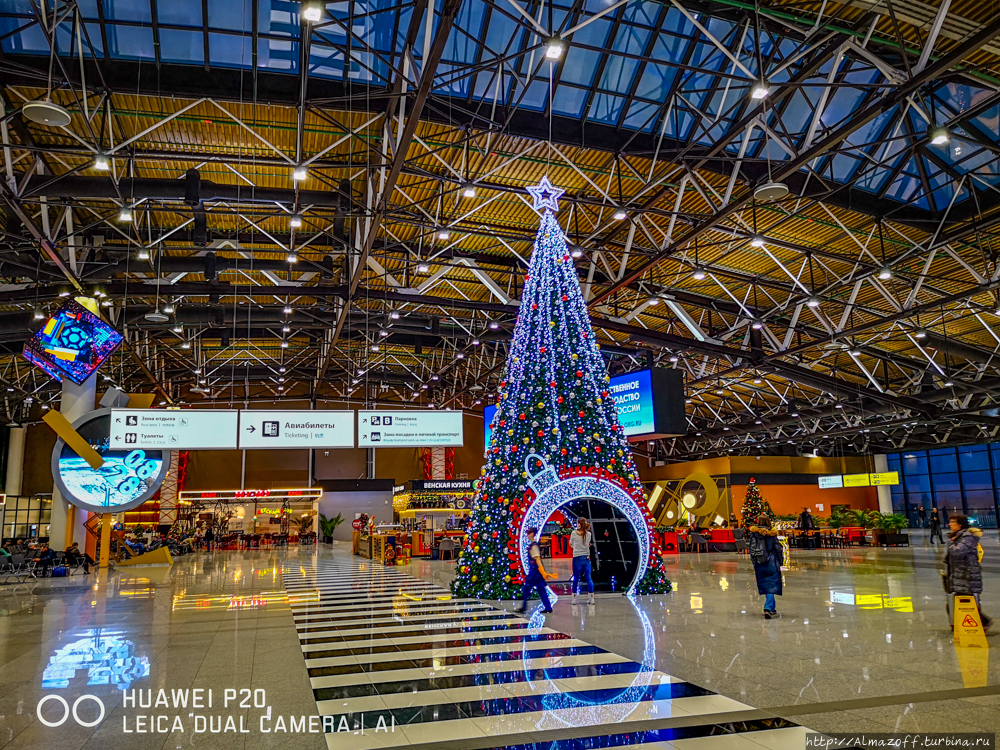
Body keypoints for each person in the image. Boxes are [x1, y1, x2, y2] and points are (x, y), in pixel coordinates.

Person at [944, 514, 992, 632]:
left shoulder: (968, 537)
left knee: (966, 601)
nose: (950, 524)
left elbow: (958, 551)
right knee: (957, 601)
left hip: (966, 575)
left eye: (953, 522)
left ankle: (979, 623)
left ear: (960, 524)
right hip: (958, 574)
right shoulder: (958, 536)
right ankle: (961, 623)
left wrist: (950, 543)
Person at [747, 516, 784, 619]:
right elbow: (778, 548)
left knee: (766, 584)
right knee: (771, 585)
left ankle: (772, 609)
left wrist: (754, 561)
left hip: (759, 561)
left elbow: (750, 547)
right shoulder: (771, 534)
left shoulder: (754, 534)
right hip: (771, 561)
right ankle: (768, 608)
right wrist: (781, 561)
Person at [515, 527, 556, 614]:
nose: (527, 535)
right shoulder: (534, 545)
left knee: (527, 588)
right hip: (537, 571)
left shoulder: (534, 546)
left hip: (534, 571)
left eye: (529, 533)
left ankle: (524, 607)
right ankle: (548, 607)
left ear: (532, 534)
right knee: (541, 589)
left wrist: (542, 571)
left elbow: (537, 559)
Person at [570, 518, 595, 605]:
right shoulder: (589, 534)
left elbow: (571, 544)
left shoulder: (573, 533)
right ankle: (591, 599)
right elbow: (587, 544)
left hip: (577, 557)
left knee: (576, 578)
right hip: (587, 558)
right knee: (589, 578)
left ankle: (574, 599)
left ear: (579, 524)